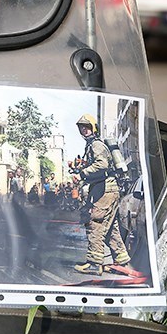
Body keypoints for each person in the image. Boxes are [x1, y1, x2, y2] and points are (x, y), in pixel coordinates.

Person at [72, 114, 132, 276]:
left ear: (94, 128)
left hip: (105, 190)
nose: (84, 130)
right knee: (111, 227)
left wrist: (82, 174)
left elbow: (102, 165)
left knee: (95, 223)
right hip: (107, 190)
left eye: (87, 127)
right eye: (81, 127)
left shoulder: (96, 145)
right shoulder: (93, 145)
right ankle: (122, 262)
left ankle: (94, 263)